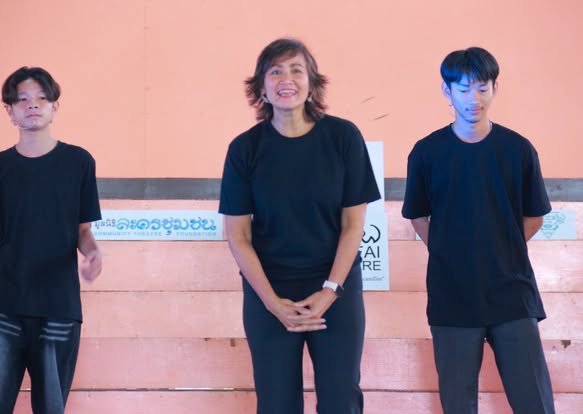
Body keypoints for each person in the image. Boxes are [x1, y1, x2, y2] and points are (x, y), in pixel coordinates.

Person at [219, 38, 380, 414]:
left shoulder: (343, 137)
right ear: (261, 87)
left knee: (341, 400)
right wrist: (271, 302)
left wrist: (330, 290)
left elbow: (353, 225)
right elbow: (238, 235)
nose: (286, 79)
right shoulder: (245, 149)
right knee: (276, 404)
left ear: (312, 82)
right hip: (269, 290)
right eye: (275, 71)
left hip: (334, 288)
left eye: (296, 70)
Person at [402, 47, 556, 413]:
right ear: (447, 91)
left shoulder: (518, 149)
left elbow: (535, 216)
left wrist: (500, 249)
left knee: (534, 401)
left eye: (482, 88)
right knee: (458, 403)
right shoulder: (426, 152)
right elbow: (417, 215)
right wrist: (448, 252)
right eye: (464, 88)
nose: (474, 98)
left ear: (494, 89)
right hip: (452, 295)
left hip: (512, 293)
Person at [0, 66, 102, 413]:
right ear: (9, 111)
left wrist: (93, 253)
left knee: (50, 407)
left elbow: (82, 231)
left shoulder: (78, 162)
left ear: (55, 106)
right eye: (23, 99)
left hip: (58, 308)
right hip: (5, 305)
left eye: (42, 98)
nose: (33, 104)